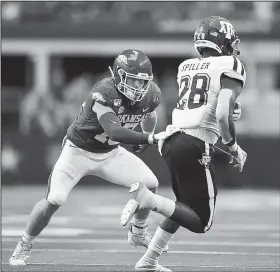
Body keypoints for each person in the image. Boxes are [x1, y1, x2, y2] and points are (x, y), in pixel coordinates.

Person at [9, 49, 177, 266]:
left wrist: (140, 138)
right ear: (119, 76)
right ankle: (24, 244)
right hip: (78, 151)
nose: (138, 87)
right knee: (55, 199)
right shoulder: (104, 92)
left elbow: (150, 114)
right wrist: (150, 138)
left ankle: (138, 230)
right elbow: (115, 132)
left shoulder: (151, 93)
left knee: (151, 183)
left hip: (111, 153)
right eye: (133, 80)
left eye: (142, 82)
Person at [121, 16, 247, 272]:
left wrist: (229, 107)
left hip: (171, 140)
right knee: (202, 221)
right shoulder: (231, 64)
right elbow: (221, 113)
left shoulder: (187, 66)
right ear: (223, 41)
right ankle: (148, 200)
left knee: (182, 207)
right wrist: (233, 146)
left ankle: (148, 261)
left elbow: (212, 104)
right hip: (194, 143)